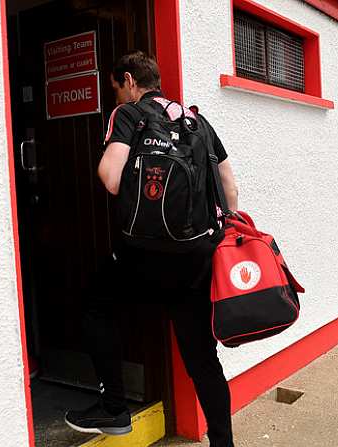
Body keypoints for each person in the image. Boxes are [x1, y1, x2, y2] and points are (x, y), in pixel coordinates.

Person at [64, 51, 239, 447]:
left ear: (128, 80)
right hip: (196, 256)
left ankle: (114, 408)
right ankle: (224, 444)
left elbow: (111, 179)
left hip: (143, 255)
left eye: (115, 88)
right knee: (201, 358)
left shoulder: (128, 115)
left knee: (95, 304)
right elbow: (229, 187)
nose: (116, 97)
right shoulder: (196, 120)